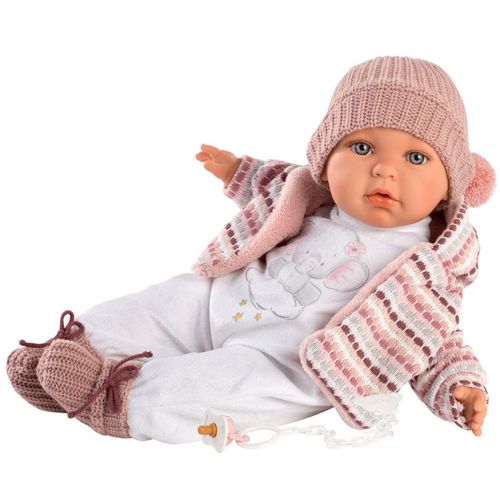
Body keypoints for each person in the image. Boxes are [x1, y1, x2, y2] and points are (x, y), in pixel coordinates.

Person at [7, 55, 495, 444]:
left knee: (218, 387)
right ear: (326, 161)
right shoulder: (310, 195)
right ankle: (77, 350)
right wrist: (234, 170)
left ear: (451, 184)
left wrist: (460, 387)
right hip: (225, 299)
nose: (386, 169)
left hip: (287, 363)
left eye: (416, 157)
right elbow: (272, 184)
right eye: (362, 148)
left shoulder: (429, 269)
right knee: (166, 300)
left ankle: (114, 399)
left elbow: (435, 340)